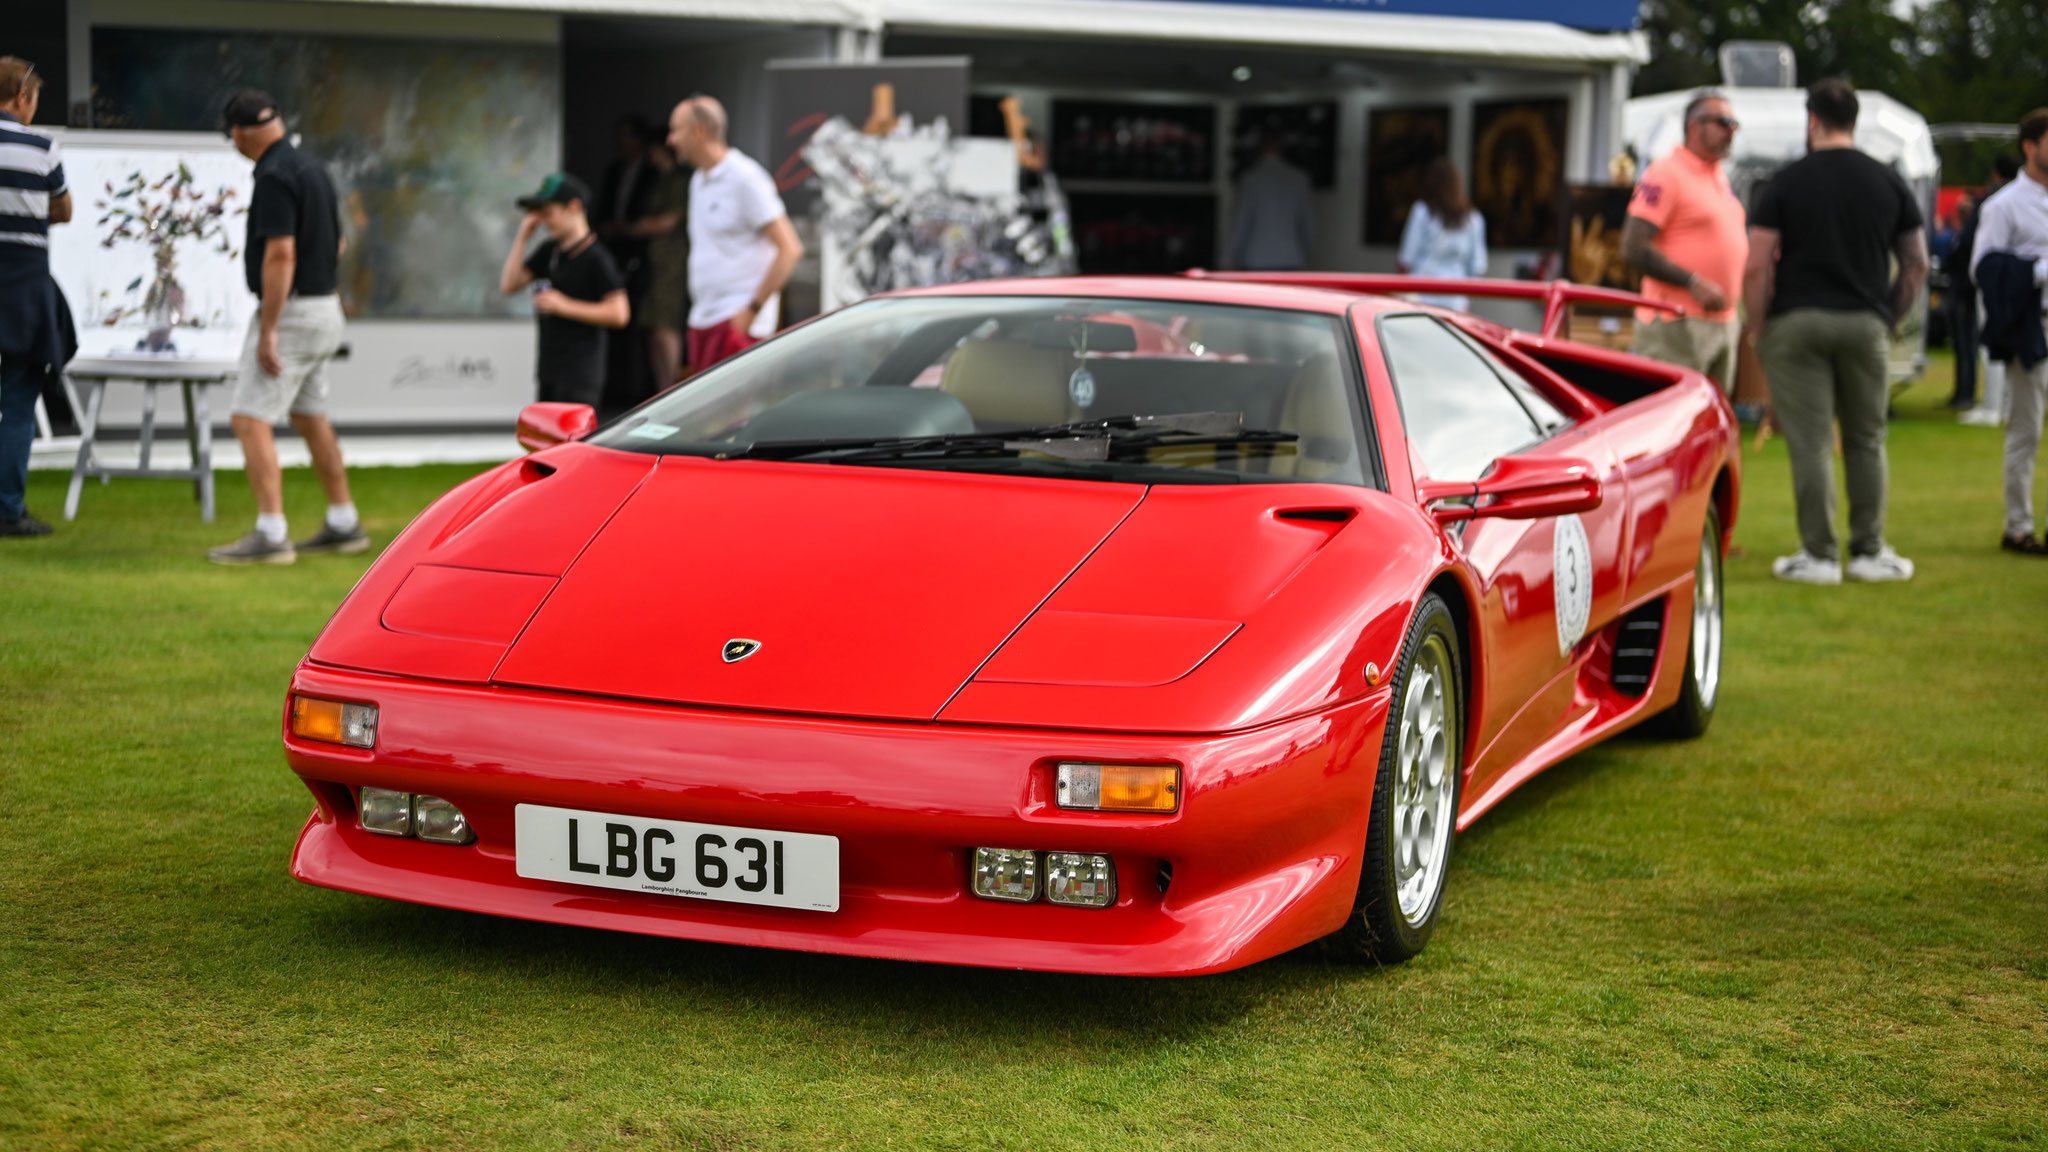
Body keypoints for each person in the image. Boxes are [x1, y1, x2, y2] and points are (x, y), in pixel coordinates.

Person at [1741, 78, 1929, 585]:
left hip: (1796, 321)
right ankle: (1869, 551)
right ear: (1855, 120)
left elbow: (1758, 265)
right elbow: (1916, 265)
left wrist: (1760, 331)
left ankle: (1819, 556)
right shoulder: (1888, 182)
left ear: (1813, 121)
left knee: (1811, 442)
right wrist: (1885, 317)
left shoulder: (1783, 183)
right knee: (1868, 439)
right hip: (1865, 320)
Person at [207, 89, 362, 565]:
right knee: (310, 416)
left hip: (292, 314)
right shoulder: (311, 167)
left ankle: (271, 534)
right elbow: (335, 244)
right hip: (324, 308)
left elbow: (281, 254)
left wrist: (269, 328)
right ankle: (344, 523)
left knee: (249, 419)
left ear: (240, 132)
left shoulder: (274, 175)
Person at [1623, 90, 1749, 395]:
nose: (1731, 131)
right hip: (1676, 325)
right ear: (1694, 126)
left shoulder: (1719, 177)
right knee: (1673, 425)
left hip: (1722, 322)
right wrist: (1692, 282)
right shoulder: (1666, 172)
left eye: (1734, 124)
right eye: (1723, 122)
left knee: (1713, 428)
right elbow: (1632, 247)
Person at [667, 95, 803, 371]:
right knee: (705, 413)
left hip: (736, 324)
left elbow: (790, 249)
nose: (670, 139)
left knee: (736, 416)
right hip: (703, 319)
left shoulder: (746, 177)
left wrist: (751, 311)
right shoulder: (698, 180)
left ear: (699, 131)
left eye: (676, 129)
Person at [0, 56, 73, 540]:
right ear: (22, 97)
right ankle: (9, 510)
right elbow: (63, 210)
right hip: (24, 291)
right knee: (18, 404)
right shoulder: (41, 147)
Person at [1969, 109, 2048, 556]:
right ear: (2030, 146)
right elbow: (1985, 267)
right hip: (2032, 327)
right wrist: (2036, 272)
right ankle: (2018, 526)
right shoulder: (2004, 205)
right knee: (2026, 429)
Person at [498, 172, 630, 408]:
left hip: (581, 374)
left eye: (549, 214)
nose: (545, 222)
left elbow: (619, 313)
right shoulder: (550, 251)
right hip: (549, 369)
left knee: (573, 441)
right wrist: (523, 235)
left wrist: (563, 305)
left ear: (574, 208)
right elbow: (509, 284)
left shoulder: (597, 257)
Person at [1959, 153, 2025, 427]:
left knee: (1993, 347)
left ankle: (1993, 406)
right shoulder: (2019, 199)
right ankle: (2006, 406)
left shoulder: (1996, 202)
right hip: (2017, 283)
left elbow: (1977, 250)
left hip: (1998, 284)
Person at [633, 144, 691, 394]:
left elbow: (667, 222)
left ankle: (673, 391)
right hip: (654, 262)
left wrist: (632, 228)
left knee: (667, 324)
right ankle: (662, 392)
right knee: (654, 328)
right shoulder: (656, 180)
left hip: (673, 262)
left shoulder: (682, 181)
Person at [1397, 156, 1487, 311]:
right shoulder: (1473, 219)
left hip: (1421, 296)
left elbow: (1406, 259)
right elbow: (1478, 266)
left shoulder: (1422, 212)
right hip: (1455, 299)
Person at [1229, 127, 1314, 272]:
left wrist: (1228, 256)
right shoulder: (1299, 178)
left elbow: (1241, 220)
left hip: (1256, 256)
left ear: (1260, 147)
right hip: (1289, 255)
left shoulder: (1251, 179)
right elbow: (1307, 220)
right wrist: (1308, 252)